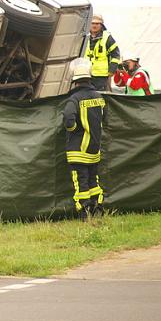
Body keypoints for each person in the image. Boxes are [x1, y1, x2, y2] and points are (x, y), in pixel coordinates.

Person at [63, 59, 106, 218]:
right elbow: (104, 118)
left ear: (75, 81)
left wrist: (73, 131)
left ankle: (85, 211)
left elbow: (68, 119)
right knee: (93, 180)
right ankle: (98, 207)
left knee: (81, 181)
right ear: (89, 78)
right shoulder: (99, 97)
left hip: (78, 150)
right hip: (94, 148)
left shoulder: (74, 99)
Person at [85, 14, 120, 91]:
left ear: (101, 25)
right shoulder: (84, 36)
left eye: (97, 23)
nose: (94, 25)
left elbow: (116, 55)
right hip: (86, 73)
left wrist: (112, 70)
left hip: (101, 75)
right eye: (92, 23)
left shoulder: (107, 37)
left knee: (101, 97)